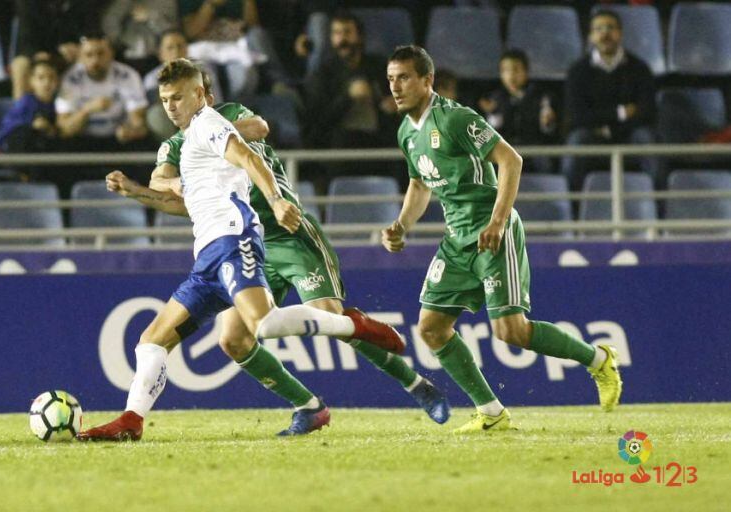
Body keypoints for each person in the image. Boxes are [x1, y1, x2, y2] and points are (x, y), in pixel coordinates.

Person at [99, 69, 451, 435]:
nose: (173, 106)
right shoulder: (178, 146)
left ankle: (416, 386)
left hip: (287, 232)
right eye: (166, 99)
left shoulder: (225, 117)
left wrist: (222, 144)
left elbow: (259, 129)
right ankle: (309, 407)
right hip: (238, 243)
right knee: (233, 339)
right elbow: (170, 191)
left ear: (203, 94)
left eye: (182, 96)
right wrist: (153, 186)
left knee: (327, 316)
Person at [382, 46, 623, 433]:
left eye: (404, 77)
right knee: (431, 327)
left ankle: (598, 359)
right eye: (391, 79)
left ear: (427, 81)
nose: (395, 86)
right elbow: (418, 183)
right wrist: (402, 224)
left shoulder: (456, 118)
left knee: (510, 331)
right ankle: (491, 411)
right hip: (457, 239)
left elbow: (511, 160)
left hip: (494, 233)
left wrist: (497, 221)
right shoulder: (405, 132)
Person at [562, 9, 658, 190]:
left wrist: (608, 128)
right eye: (598, 29)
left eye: (610, 28)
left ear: (620, 33)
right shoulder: (578, 71)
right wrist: (620, 113)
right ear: (590, 36)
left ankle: (659, 210)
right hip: (593, 138)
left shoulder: (640, 68)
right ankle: (571, 210)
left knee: (648, 138)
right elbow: (576, 116)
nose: (605, 33)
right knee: (577, 140)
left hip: (630, 137)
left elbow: (647, 112)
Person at [303, 10, 397, 149]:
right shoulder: (323, 73)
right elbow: (318, 122)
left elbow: (395, 100)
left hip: (379, 139)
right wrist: (348, 97)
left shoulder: (379, 66)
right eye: (337, 33)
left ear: (360, 36)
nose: (342, 39)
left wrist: (394, 105)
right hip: (339, 143)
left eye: (347, 32)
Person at [56, 32, 150, 152]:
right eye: (89, 55)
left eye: (101, 53)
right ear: (80, 57)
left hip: (118, 139)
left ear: (111, 54)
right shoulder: (71, 79)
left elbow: (139, 121)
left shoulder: (127, 75)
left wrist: (130, 131)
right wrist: (87, 110)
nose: (95, 60)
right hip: (83, 139)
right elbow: (65, 130)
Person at [478, 49, 558, 174]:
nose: (511, 75)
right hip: (505, 149)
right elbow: (491, 133)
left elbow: (548, 131)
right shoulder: (494, 98)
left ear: (526, 72)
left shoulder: (541, 96)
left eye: (516, 70)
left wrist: (548, 122)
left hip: (533, 149)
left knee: (545, 162)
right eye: (505, 70)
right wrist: (492, 114)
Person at [143, 30, 222, 140]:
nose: (176, 51)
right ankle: (173, 150)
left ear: (187, 49)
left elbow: (215, 103)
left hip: (201, 123)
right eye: (170, 48)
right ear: (161, 53)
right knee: (155, 115)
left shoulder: (204, 73)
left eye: (180, 46)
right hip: (171, 125)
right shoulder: (151, 79)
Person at [0, 57, 60, 153]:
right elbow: (11, 131)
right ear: (31, 81)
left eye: (51, 77)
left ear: (58, 81)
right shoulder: (26, 102)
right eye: (41, 78)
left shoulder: (60, 104)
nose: (47, 83)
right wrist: (33, 125)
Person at [101, 0, 179, 74]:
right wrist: (120, 43)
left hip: (156, 57)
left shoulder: (166, 2)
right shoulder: (123, 2)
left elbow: (171, 31)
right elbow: (109, 24)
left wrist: (150, 16)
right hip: (127, 56)